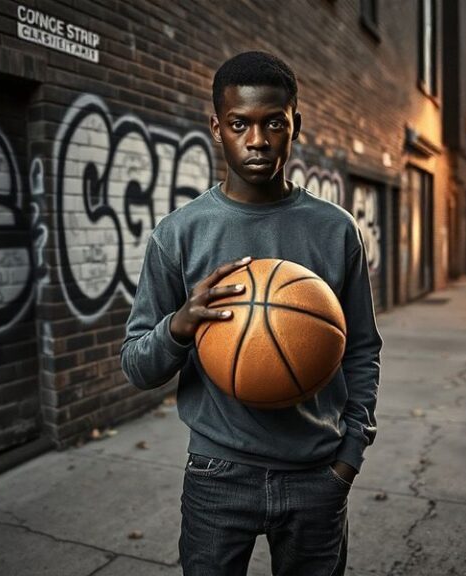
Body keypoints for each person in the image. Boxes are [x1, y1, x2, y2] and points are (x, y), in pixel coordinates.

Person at [121, 51, 382, 576]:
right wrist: (180, 324)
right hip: (219, 473)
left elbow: (361, 349)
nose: (257, 140)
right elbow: (136, 365)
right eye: (240, 124)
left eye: (273, 123)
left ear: (295, 126)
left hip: (317, 472)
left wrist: (349, 454)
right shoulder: (179, 234)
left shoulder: (336, 230)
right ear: (217, 127)